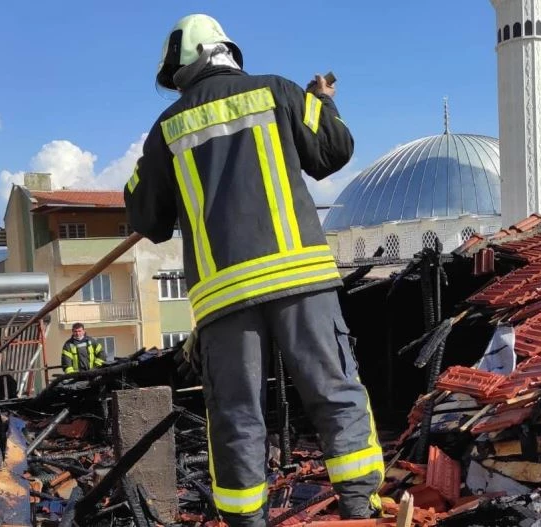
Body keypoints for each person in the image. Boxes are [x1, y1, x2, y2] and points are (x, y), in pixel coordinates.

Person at [123, 13, 384, 527]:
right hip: (300, 279)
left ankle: (246, 522)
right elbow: (334, 149)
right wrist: (323, 101)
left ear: (187, 65)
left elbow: (145, 218)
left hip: (224, 298)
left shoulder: (165, 130)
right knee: (334, 391)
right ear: (226, 51)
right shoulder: (278, 93)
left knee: (237, 416)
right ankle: (360, 509)